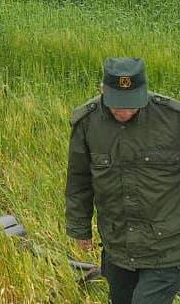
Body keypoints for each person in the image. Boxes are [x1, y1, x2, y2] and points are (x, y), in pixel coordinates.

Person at [66, 57, 180, 304]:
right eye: (118, 105)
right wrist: (79, 227)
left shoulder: (173, 120)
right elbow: (79, 180)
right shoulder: (87, 123)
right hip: (118, 244)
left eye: (131, 105)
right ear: (103, 90)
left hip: (167, 247)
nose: (124, 111)